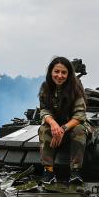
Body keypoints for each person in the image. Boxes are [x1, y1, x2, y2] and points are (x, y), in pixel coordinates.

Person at [37, 56, 88, 185]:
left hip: (73, 125)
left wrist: (63, 129)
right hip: (55, 125)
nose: (59, 75)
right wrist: (53, 124)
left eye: (64, 72)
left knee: (79, 130)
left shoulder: (75, 89)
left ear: (69, 74)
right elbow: (44, 110)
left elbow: (79, 115)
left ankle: (75, 171)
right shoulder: (46, 87)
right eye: (56, 71)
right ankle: (48, 170)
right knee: (43, 129)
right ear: (51, 72)